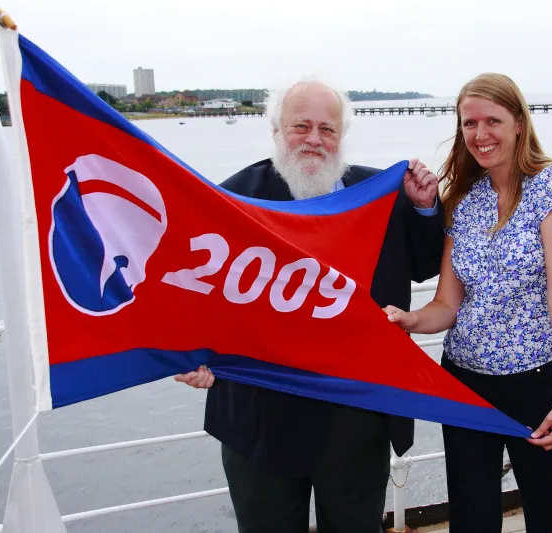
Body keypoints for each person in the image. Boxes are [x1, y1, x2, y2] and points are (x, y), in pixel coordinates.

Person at [175, 78, 444, 533]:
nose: (315, 139)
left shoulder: (383, 193)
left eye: (327, 128)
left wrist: (424, 208)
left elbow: (424, 266)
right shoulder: (229, 199)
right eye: (302, 126)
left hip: (358, 417)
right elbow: (187, 291)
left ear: (342, 137)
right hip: (259, 418)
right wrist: (190, 353)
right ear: (277, 131)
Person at [384, 72, 552, 533]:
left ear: (519, 122)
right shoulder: (463, 199)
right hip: (465, 383)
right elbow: (447, 305)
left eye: (493, 120)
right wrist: (410, 319)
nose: (480, 134)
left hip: (538, 384)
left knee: (549, 517)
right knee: (472, 519)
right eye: (469, 123)